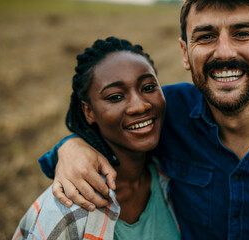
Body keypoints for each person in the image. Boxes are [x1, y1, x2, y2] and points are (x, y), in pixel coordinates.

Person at [39, 0, 249, 239]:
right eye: (206, 36)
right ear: (185, 53)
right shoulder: (167, 114)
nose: (224, 52)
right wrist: (71, 147)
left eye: (242, 33)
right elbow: (110, 131)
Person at [12, 37, 180, 240]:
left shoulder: (172, 177)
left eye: (148, 87)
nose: (140, 106)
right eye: (116, 96)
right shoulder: (69, 208)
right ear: (89, 111)